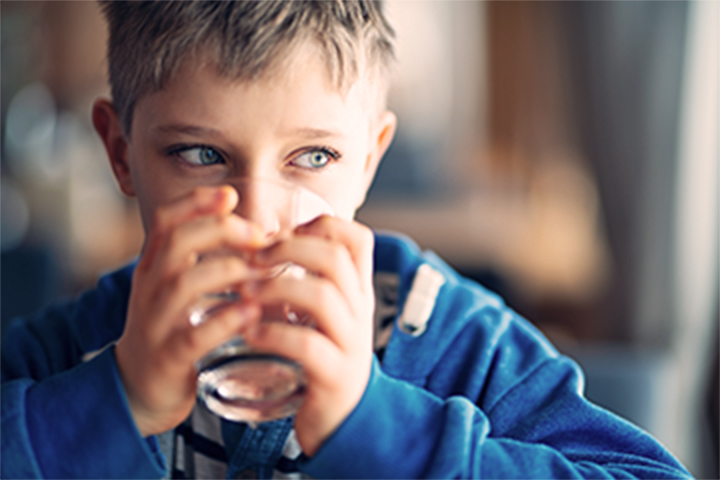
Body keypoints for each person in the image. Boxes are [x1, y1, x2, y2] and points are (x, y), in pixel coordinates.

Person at [1, 1, 692, 479]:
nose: (258, 219)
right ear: (120, 153)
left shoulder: (446, 339)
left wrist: (374, 422)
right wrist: (118, 400)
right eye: (200, 155)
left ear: (369, 158)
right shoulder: (78, 344)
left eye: (314, 157)